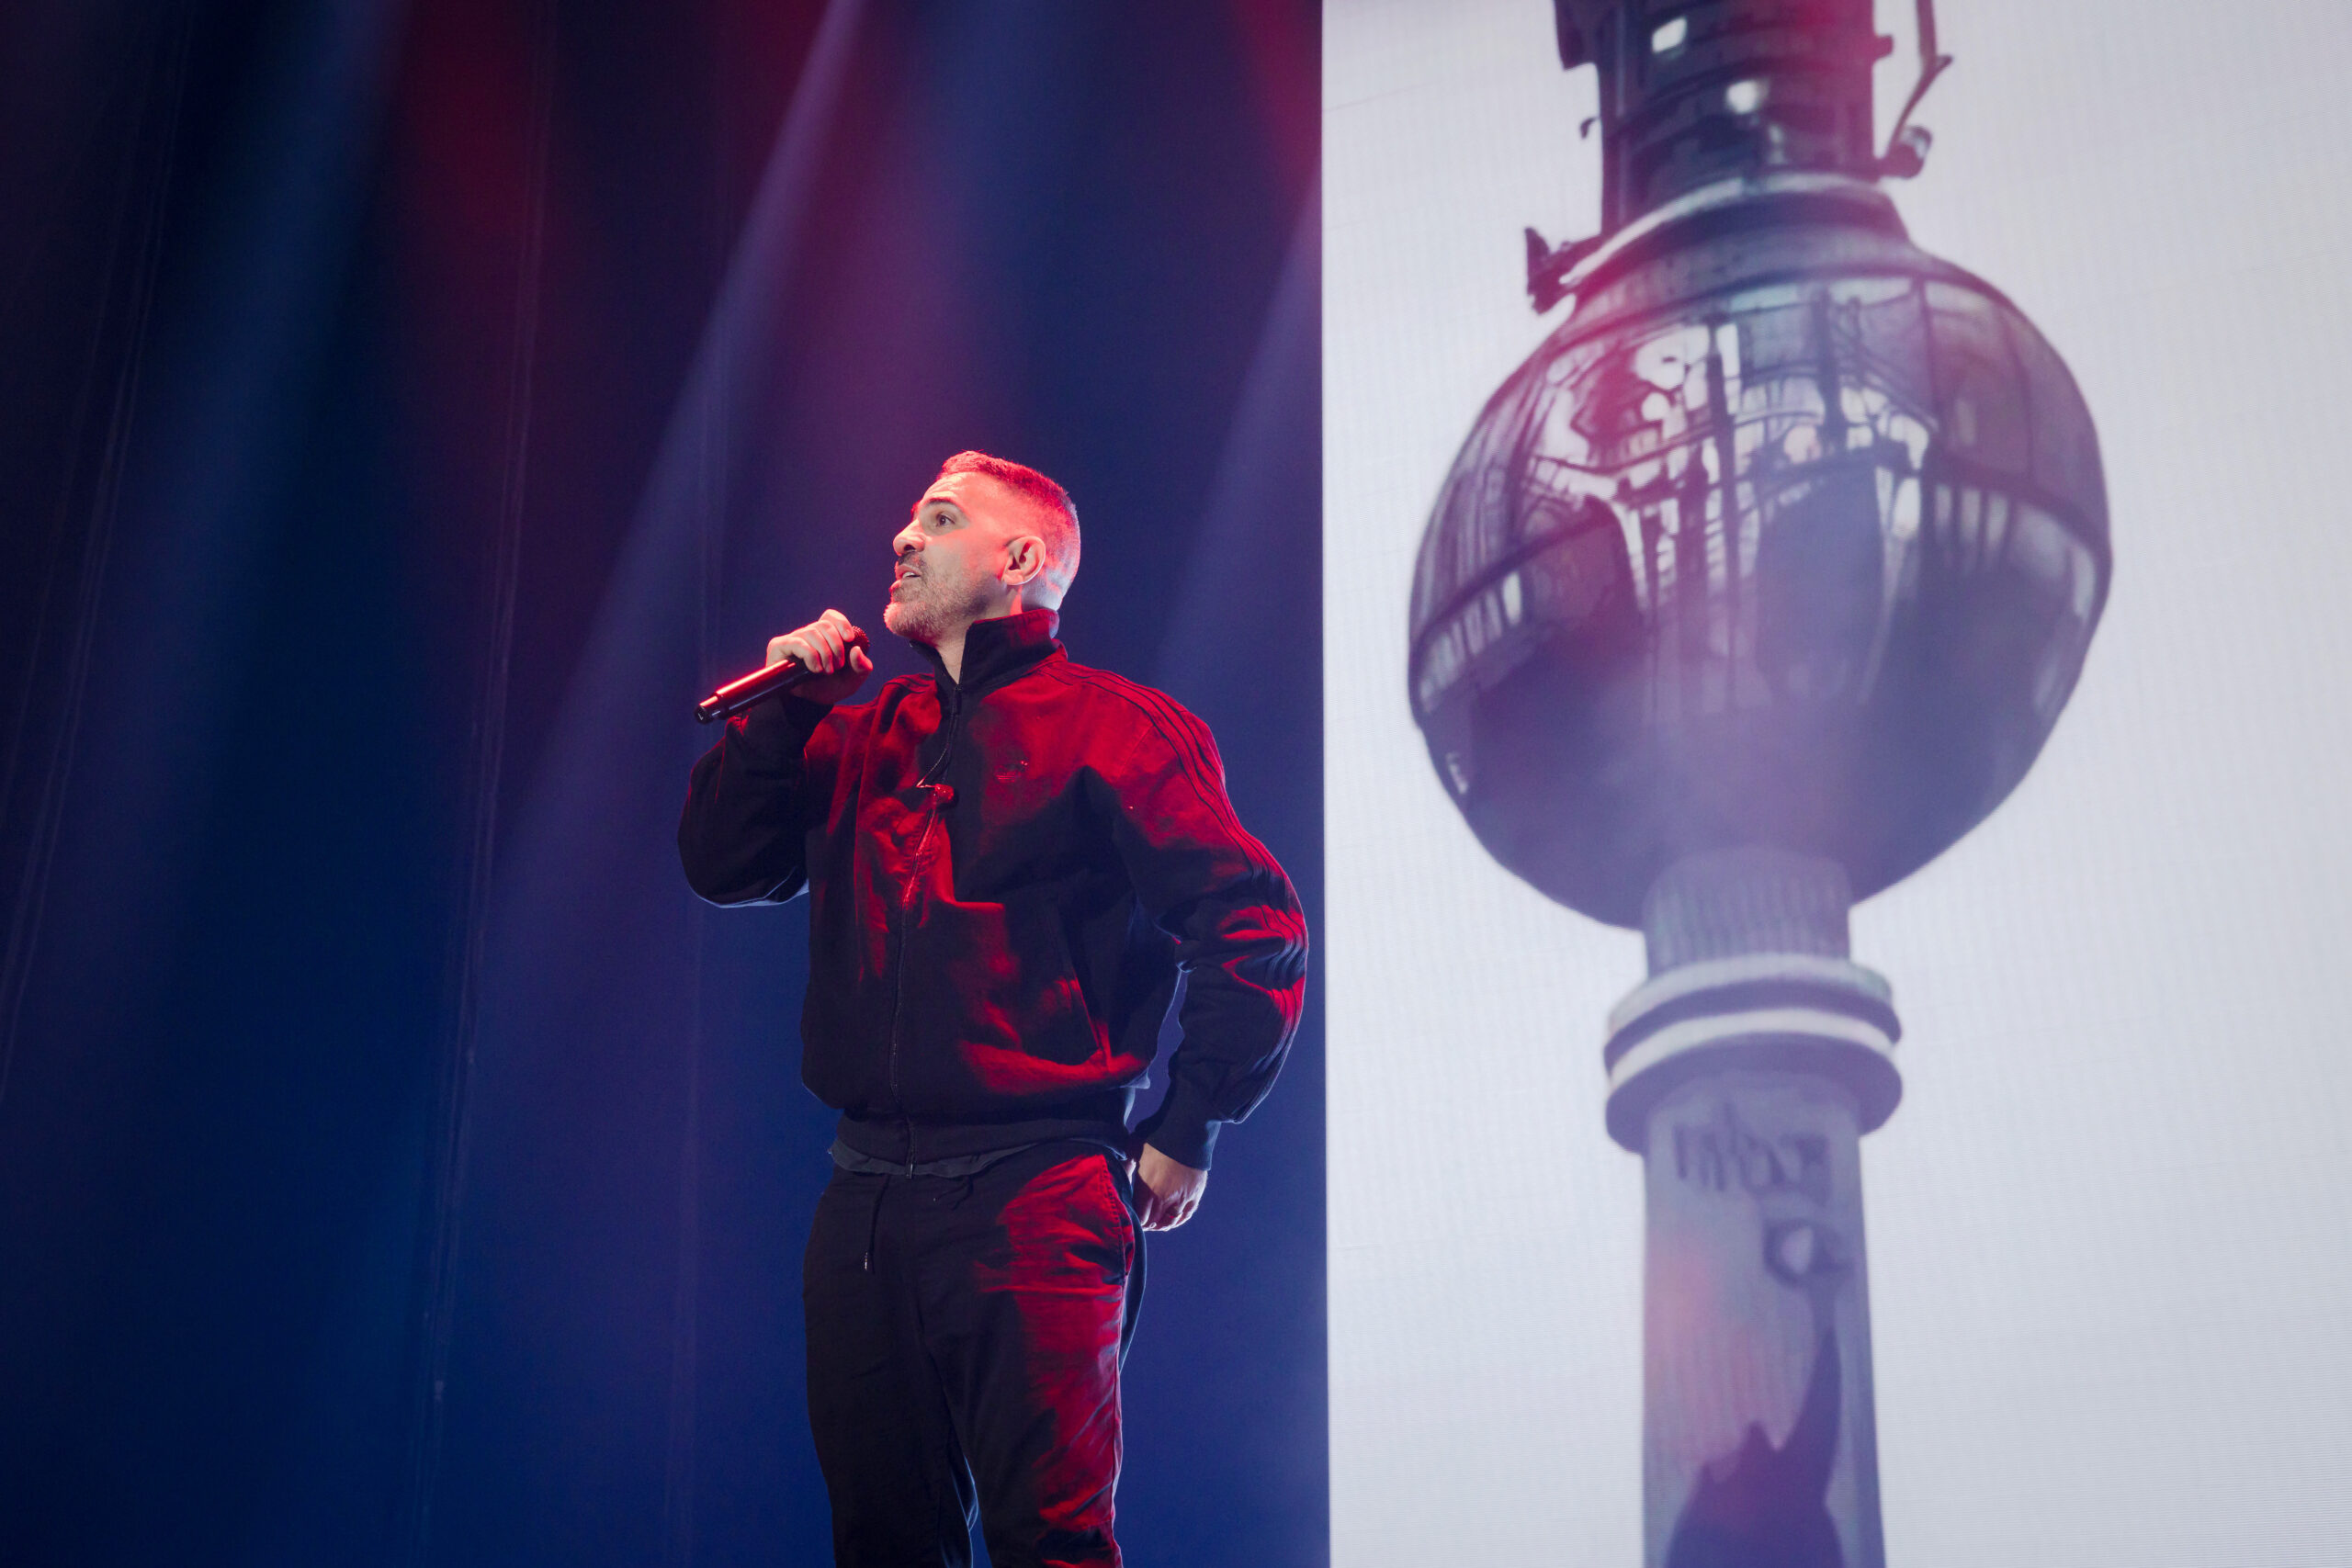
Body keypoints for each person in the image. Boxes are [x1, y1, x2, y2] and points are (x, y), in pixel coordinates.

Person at [677, 451, 1306, 1568]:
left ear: (1019, 561)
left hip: (1036, 1190)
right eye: (908, 516)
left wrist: (1189, 1123)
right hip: (864, 1201)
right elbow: (723, 868)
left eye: (939, 518)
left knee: (1049, 1544)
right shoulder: (864, 733)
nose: (902, 539)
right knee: (881, 1540)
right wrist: (778, 718)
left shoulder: (1118, 729)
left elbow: (1254, 923)